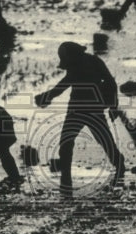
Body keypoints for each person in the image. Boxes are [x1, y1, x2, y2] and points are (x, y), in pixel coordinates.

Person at [35, 42, 126, 195]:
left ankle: (66, 177)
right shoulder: (90, 61)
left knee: (69, 140)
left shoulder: (81, 65)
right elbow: (110, 82)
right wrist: (113, 105)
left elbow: (64, 84)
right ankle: (118, 163)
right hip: (88, 107)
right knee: (101, 138)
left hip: (83, 107)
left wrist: (47, 96)